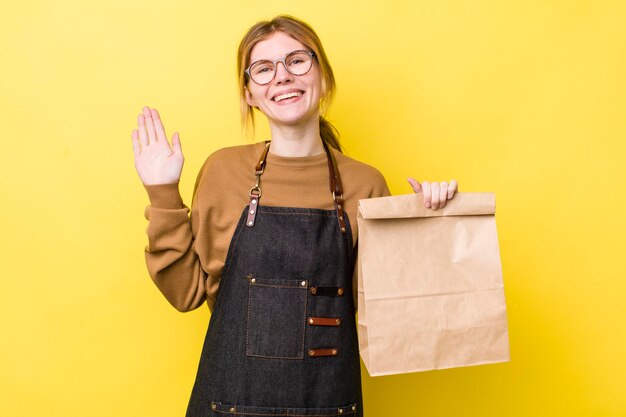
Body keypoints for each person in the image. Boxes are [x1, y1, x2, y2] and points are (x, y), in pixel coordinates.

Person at [131, 15, 457, 417]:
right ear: (250, 93)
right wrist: (162, 192)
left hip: (328, 406)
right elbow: (186, 295)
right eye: (264, 69)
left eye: (297, 61)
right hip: (226, 406)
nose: (282, 76)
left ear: (322, 76)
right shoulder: (222, 172)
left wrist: (426, 227)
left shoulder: (365, 184)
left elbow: (389, 315)